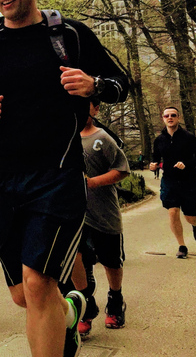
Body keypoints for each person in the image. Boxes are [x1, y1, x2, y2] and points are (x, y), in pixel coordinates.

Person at [0, 0, 129, 357]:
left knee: (38, 284)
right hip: (3, 181)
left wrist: (94, 86)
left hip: (57, 177)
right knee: (23, 296)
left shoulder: (69, 35)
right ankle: (70, 313)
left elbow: (122, 83)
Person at [71, 99, 130, 339]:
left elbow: (122, 169)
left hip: (104, 213)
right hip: (75, 215)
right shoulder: (65, 138)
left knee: (111, 261)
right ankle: (86, 305)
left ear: (95, 109)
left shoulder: (103, 138)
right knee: (76, 258)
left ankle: (115, 299)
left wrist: (91, 183)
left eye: (85, 106)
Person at [149, 107, 196, 259]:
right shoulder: (159, 140)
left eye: (173, 115)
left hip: (189, 182)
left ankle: (195, 223)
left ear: (178, 118)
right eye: (166, 115)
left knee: (189, 216)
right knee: (173, 212)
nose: (170, 118)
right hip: (169, 181)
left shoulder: (189, 137)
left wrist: (186, 163)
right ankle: (182, 246)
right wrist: (153, 165)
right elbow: (155, 158)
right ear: (163, 118)